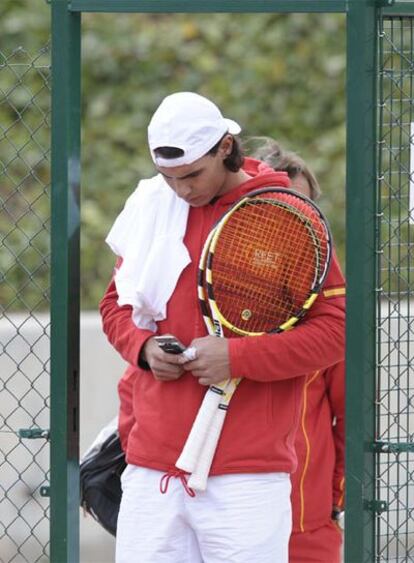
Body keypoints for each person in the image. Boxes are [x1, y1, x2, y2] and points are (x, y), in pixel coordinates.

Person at [100, 92, 345, 563]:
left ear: (225, 149)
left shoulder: (285, 214)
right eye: (170, 179)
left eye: (193, 175)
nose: (183, 191)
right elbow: (115, 305)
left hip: (248, 476)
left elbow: (335, 331)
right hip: (152, 469)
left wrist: (236, 358)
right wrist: (145, 349)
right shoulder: (150, 205)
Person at [254, 138, 345, 563]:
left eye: (307, 210)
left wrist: (331, 496)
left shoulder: (330, 308)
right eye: (284, 209)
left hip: (306, 522)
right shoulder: (213, 292)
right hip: (228, 515)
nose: (298, 223)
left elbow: (350, 415)